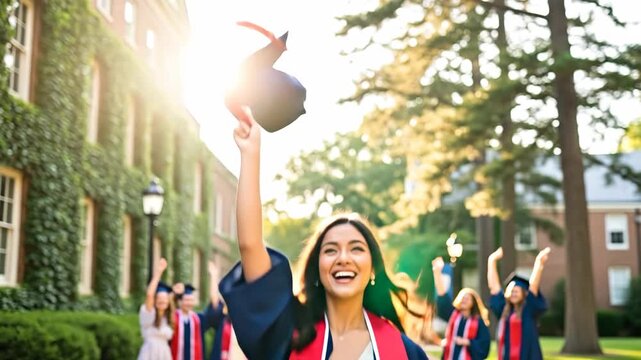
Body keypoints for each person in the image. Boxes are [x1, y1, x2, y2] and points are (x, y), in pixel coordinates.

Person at [218, 109, 429, 359]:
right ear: (317, 267)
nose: (343, 257)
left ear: (373, 268)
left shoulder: (402, 351)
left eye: (356, 248)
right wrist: (250, 154)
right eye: (330, 250)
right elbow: (250, 245)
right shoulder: (292, 332)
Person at [487, 247, 551, 360]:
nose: (513, 293)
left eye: (516, 291)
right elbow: (494, 287)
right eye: (511, 291)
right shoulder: (504, 310)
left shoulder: (529, 308)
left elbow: (534, 286)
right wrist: (492, 261)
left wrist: (539, 263)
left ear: (523, 294)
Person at [431, 257, 490, 359]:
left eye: (468, 299)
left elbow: (484, 344)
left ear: (473, 303)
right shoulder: (453, 314)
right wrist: (437, 273)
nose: (464, 300)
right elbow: (442, 296)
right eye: (462, 298)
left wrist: (467, 342)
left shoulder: (478, 321)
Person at [171, 260, 225, 360]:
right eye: (186, 300)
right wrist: (173, 293)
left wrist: (214, 277)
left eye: (191, 300)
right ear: (180, 302)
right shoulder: (173, 317)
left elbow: (215, 306)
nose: (189, 303)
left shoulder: (198, 319)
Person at [137, 258, 174, 360]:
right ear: (155, 300)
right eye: (159, 299)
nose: (162, 301)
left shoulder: (168, 318)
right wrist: (158, 272)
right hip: (150, 353)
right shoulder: (149, 314)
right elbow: (149, 294)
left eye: (165, 299)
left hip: (165, 353)